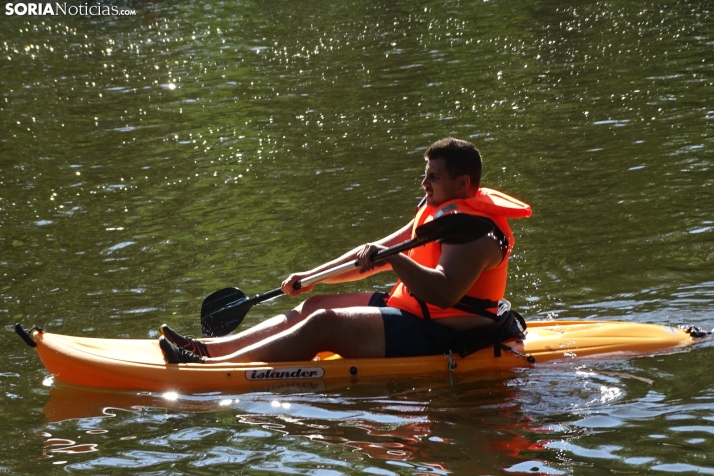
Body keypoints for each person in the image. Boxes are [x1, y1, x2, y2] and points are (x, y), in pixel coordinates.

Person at [158, 137, 531, 364]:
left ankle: (214, 370)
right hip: (412, 311)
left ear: (462, 182)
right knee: (311, 307)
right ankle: (208, 350)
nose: (424, 183)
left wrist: (394, 258)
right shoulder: (437, 209)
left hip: (445, 331)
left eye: (433, 176)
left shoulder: (478, 232)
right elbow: (375, 254)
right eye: (425, 174)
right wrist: (312, 277)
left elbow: (444, 291)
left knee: (324, 325)